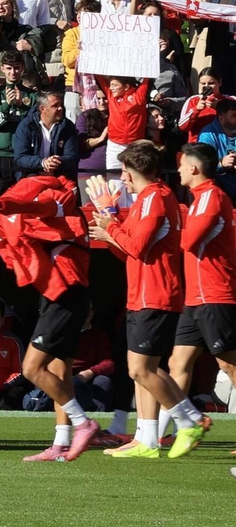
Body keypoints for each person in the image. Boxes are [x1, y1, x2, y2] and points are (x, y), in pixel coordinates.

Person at [87, 141, 212, 458]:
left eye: (123, 173)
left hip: (155, 293)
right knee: (141, 369)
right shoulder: (148, 198)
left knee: (141, 369)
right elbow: (127, 250)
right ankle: (147, 439)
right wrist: (110, 223)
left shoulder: (155, 198)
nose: (122, 180)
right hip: (142, 292)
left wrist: (110, 222)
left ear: (130, 172)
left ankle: (190, 419)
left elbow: (138, 246)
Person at [0, 172, 101, 461]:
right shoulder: (49, 215)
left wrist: (13, 207)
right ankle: (60, 443)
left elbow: (45, 207)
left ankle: (83, 423)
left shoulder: (61, 203)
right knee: (59, 373)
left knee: (31, 368)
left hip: (66, 294)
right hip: (60, 294)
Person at [166, 143, 236, 413]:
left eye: (182, 164)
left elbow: (188, 241)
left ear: (193, 168)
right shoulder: (199, 199)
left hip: (213, 294)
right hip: (196, 296)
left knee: (229, 365)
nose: (179, 169)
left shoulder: (211, 197)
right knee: (178, 363)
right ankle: (164, 432)